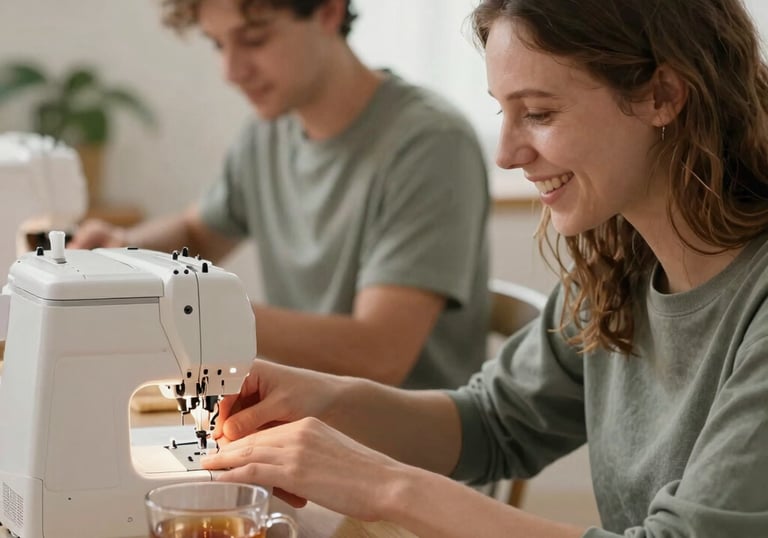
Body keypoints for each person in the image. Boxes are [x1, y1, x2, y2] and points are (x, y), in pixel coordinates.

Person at [197, 0, 768, 536]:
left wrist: (383, 485)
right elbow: (494, 421)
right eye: (504, 111)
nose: (506, 152)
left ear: (662, 95)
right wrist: (323, 399)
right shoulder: (621, 268)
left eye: (539, 113)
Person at [69, 0, 491, 390]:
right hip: (307, 423)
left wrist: (196, 306)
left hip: (405, 457)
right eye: (218, 44)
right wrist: (123, 253)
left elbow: (378, 355)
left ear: (328, 11)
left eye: (254, 39)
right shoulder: (267, 134)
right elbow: (196, 233)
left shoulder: (431, 144)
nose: (230, 71)